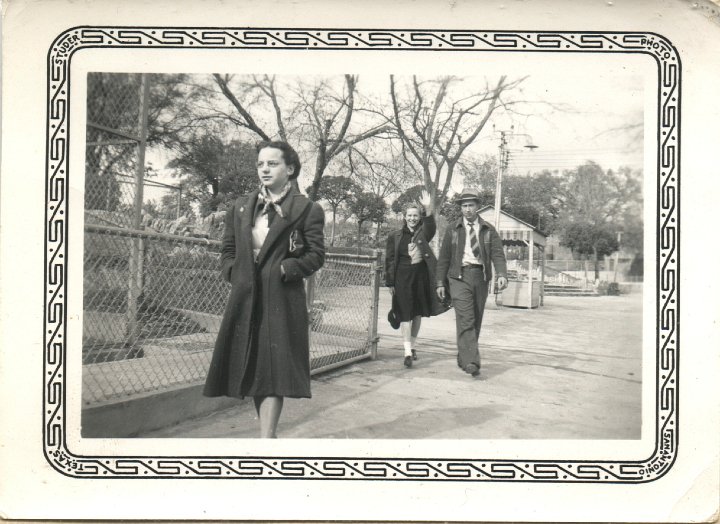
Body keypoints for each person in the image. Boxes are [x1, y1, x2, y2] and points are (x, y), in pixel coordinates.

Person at [203, 140, 325, 438]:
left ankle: (266, 439)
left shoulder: (307, 209)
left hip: (281, 299)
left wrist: (285, 269)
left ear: (290, 169)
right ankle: (266, 436)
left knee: (274, 369)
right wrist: (234, 272)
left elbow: (316, 255)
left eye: (273, 163)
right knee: (255, 364)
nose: (265, 169)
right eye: (261, 164)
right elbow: (228, 247)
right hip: (245, 297)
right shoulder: (242, 206)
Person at [435, 189, 508, 378]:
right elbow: (444, 258)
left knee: (475, 318)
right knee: (466, 317)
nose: (467, 209)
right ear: (461, 208)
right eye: (464, 206)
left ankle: (464, 356)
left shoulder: (488, 230)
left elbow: (498, 254)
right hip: (458, 277)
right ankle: (471, 361)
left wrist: (501, 273)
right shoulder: (453, 229)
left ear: (477, 207)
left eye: (471, 205)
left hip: (480, 277)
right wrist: (440, 283)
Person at [385, 190, 448, 368]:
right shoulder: (395, 237)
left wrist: (427, 207)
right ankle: (406, 352)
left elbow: (432, 227)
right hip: (402, 280)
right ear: (404, 217)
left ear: (419, 217)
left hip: (420, 279)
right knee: (405, 314)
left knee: (417, 313)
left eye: (415, 216)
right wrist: (390, 282)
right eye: (409, 215)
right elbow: (389, 260)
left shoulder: (423, 234)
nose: (412, 218)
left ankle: (412, 346)